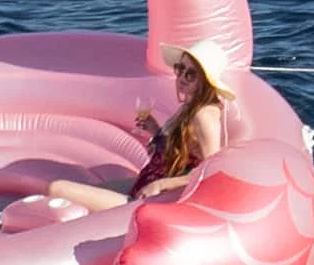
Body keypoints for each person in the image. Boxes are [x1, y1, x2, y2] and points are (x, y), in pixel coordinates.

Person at [45, 43, 234, 217]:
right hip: (148, 182)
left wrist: (162, 185)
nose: (182, 77)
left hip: (153, 198)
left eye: (191, 74)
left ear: (206, 81)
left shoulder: (204, 115)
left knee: (57, 189)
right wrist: (156, 133)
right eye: (180, 68)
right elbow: (182, 151)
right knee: (86, 189)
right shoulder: (191, 107)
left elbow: (211, 172)